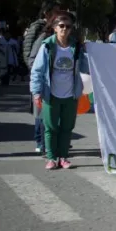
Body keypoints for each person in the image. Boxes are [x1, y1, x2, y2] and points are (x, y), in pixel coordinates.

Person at [30, 11, 89, 171]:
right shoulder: (48, 46)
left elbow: (86, 67)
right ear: (55, 28)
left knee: (67, 127)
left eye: (68, 26)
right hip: (51, 94)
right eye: (61, 26)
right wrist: (36, 93)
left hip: (71, 94)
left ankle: (63, 157)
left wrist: (90, 51)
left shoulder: (75, 46)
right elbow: (37, 71)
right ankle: (51, 158)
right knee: (50, 127)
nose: (64, 29)